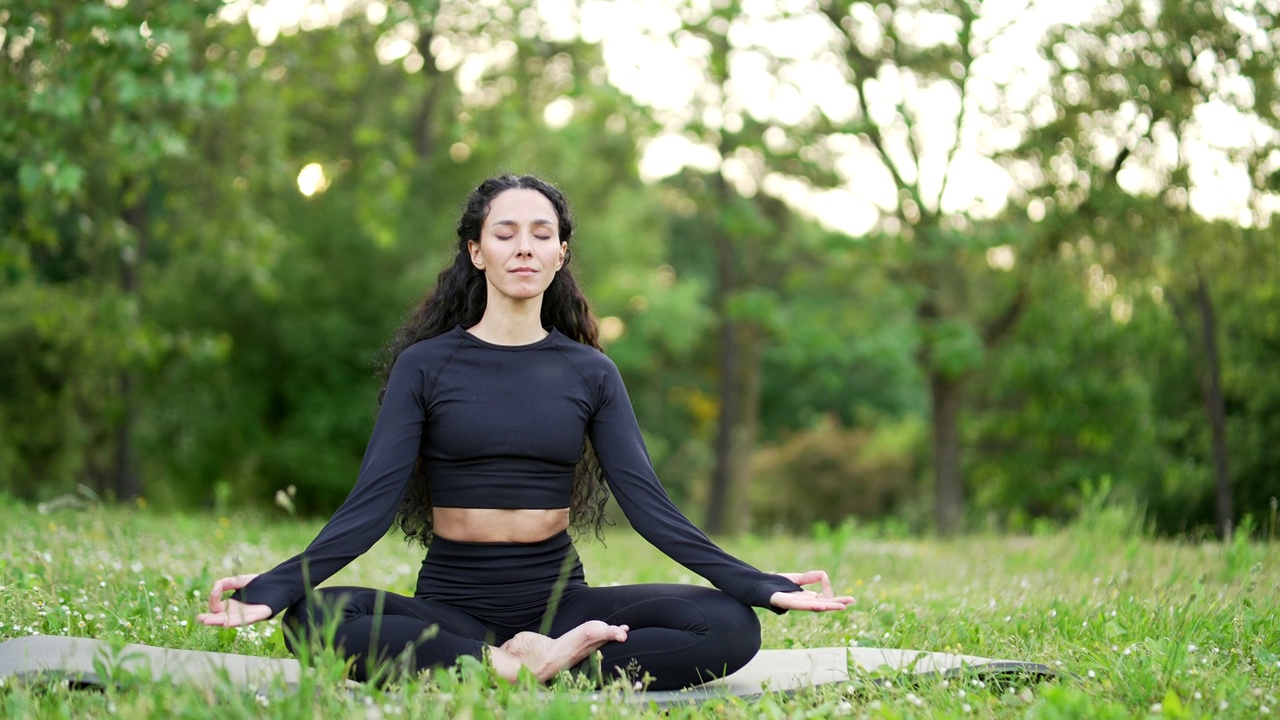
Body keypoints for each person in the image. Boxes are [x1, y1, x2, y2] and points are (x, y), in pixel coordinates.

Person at [197, 174, 853, 690]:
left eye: (541, 234)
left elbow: (651, 509)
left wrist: (756, 585)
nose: (524, 247)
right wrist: (278, 587)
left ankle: (511, 665)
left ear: (560, 253)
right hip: (451, 606)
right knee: (314, 620)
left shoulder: (590, 373)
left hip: (561, 602)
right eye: (505, 233)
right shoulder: (426, 367)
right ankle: (518, 666)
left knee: (728, 627)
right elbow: (367, 508)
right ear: (476, 251)